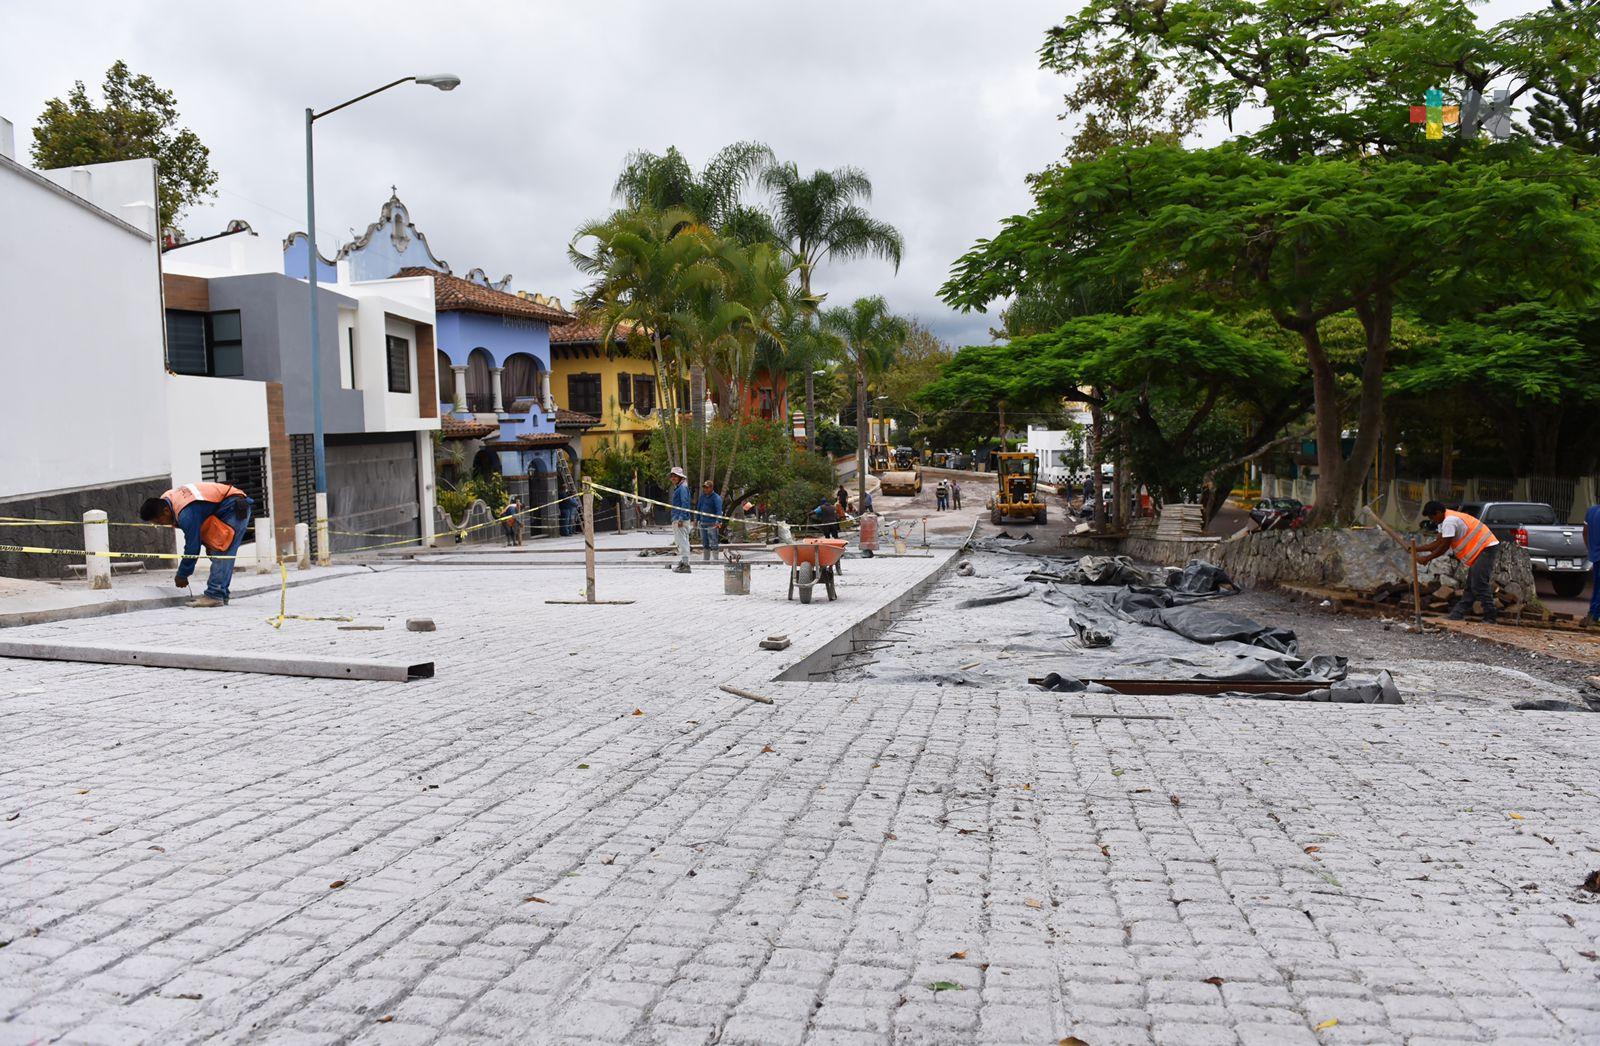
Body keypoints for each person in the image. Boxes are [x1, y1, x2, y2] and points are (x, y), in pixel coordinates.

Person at [139, 482, 253, 607]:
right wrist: (209, 545)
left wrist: (182, 574)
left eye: (159, 521)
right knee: (218, 550)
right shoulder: (167, 499)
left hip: (234, 507)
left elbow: (192, 547)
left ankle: (215, 595)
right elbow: (199, 524)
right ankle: (221, 594)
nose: (161, 525)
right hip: (223, 506)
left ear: (166, 511)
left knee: (222, 550)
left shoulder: (185, 513)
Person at [1414, 500, 1501, 623]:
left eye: (1432, 517)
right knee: (1471, 585)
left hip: (1486, 547)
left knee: (1479, 584)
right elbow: (1437, 543)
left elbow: (1443, 547)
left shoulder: (1450, 521)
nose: (1432, 520)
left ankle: (1491, 617)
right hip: (1481, 549)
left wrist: (1427, 558)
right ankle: (1457, 613)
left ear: (1438, 512)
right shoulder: (1444, 520)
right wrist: (1416, 549)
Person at [668, 466, 692, 573]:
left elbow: (685, 503)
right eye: (672, 476)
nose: (673, 478)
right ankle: (684, 562)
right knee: (681, 541)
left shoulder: (682, 488)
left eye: (675, 476)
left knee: (682, 542)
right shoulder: (680, 487)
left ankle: (686, 565)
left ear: (680, 477)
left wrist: (681, 518)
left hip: (680, 519)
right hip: (678, 517)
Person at [697, 480, 724, 562]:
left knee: (714, 542)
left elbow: (719, 510)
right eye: (704, 487)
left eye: (707, 487)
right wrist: (697, 519)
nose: (705, 489)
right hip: (703, 523)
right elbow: (699, 508)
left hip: (712, 524)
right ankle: (706, 559)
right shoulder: (702, 497)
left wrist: (718, 521)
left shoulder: (716, 498)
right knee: (705, 542)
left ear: (711, 488)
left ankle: (715, 559)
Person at [1585, 502, 1600, 625]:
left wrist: (1590, 548)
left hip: (1595, 554)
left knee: (1597, 586)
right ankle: (1595, 616)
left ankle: (1592, 612)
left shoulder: (1592, 511)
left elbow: (1585, 531)